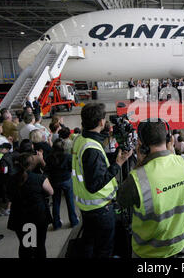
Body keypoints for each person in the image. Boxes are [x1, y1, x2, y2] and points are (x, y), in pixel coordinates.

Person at [117, 119, 184, 258]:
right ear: (169, 139)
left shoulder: (137, 178)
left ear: (142, 146)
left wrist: (140, 164)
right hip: (180, 246)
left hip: (148, 253)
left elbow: (120, 200)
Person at [72, 103, 131, 258]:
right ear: (101, 122)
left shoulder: (81, 139)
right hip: (100, 208)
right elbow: (94, 185)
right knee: (104, 248)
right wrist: (118, 164)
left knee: (89, 242)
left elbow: (95, 166)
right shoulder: (91, 149)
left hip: (87, 206)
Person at [7, 152, 53, 258]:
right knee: (39, 245)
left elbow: (9, 195)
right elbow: (51, 192)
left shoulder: (12, 179)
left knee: (25, 245)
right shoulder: (39, 178)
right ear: (32, 165)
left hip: (20, 215)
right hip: (37, 214)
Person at [45, 138, 79, 230]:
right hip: (66, 180)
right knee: (70, 201)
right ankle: (73, 221)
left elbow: (47, 169)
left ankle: (56, 223)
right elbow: (72, 168)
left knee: (56, 202)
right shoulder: (68, 156)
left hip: (54, 181)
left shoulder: (49, 157)